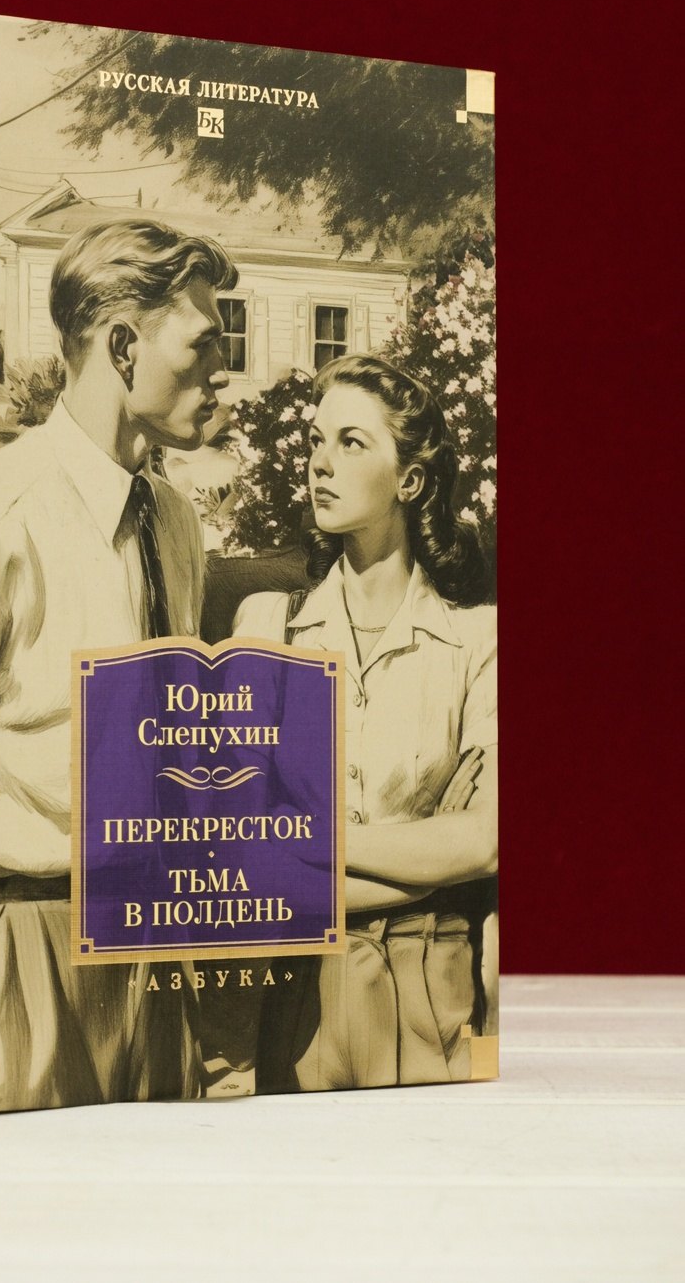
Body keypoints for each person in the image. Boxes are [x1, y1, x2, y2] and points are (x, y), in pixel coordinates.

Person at [0, 218, 237, 1115]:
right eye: (203, 343)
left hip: (155, 958)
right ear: (122, 347)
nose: (223, 369)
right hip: (14, 959)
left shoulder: (174, 523)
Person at [233, 354, 497, 1090]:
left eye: (351, 443)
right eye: (316, 441)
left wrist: (311, 844)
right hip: (295, 1002)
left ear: (410, 480)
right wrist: (425, 865)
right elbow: (244, 856)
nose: (320, 463)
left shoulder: (479, 640)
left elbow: (486, 841)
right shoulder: (268, 627)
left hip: (435, 998)